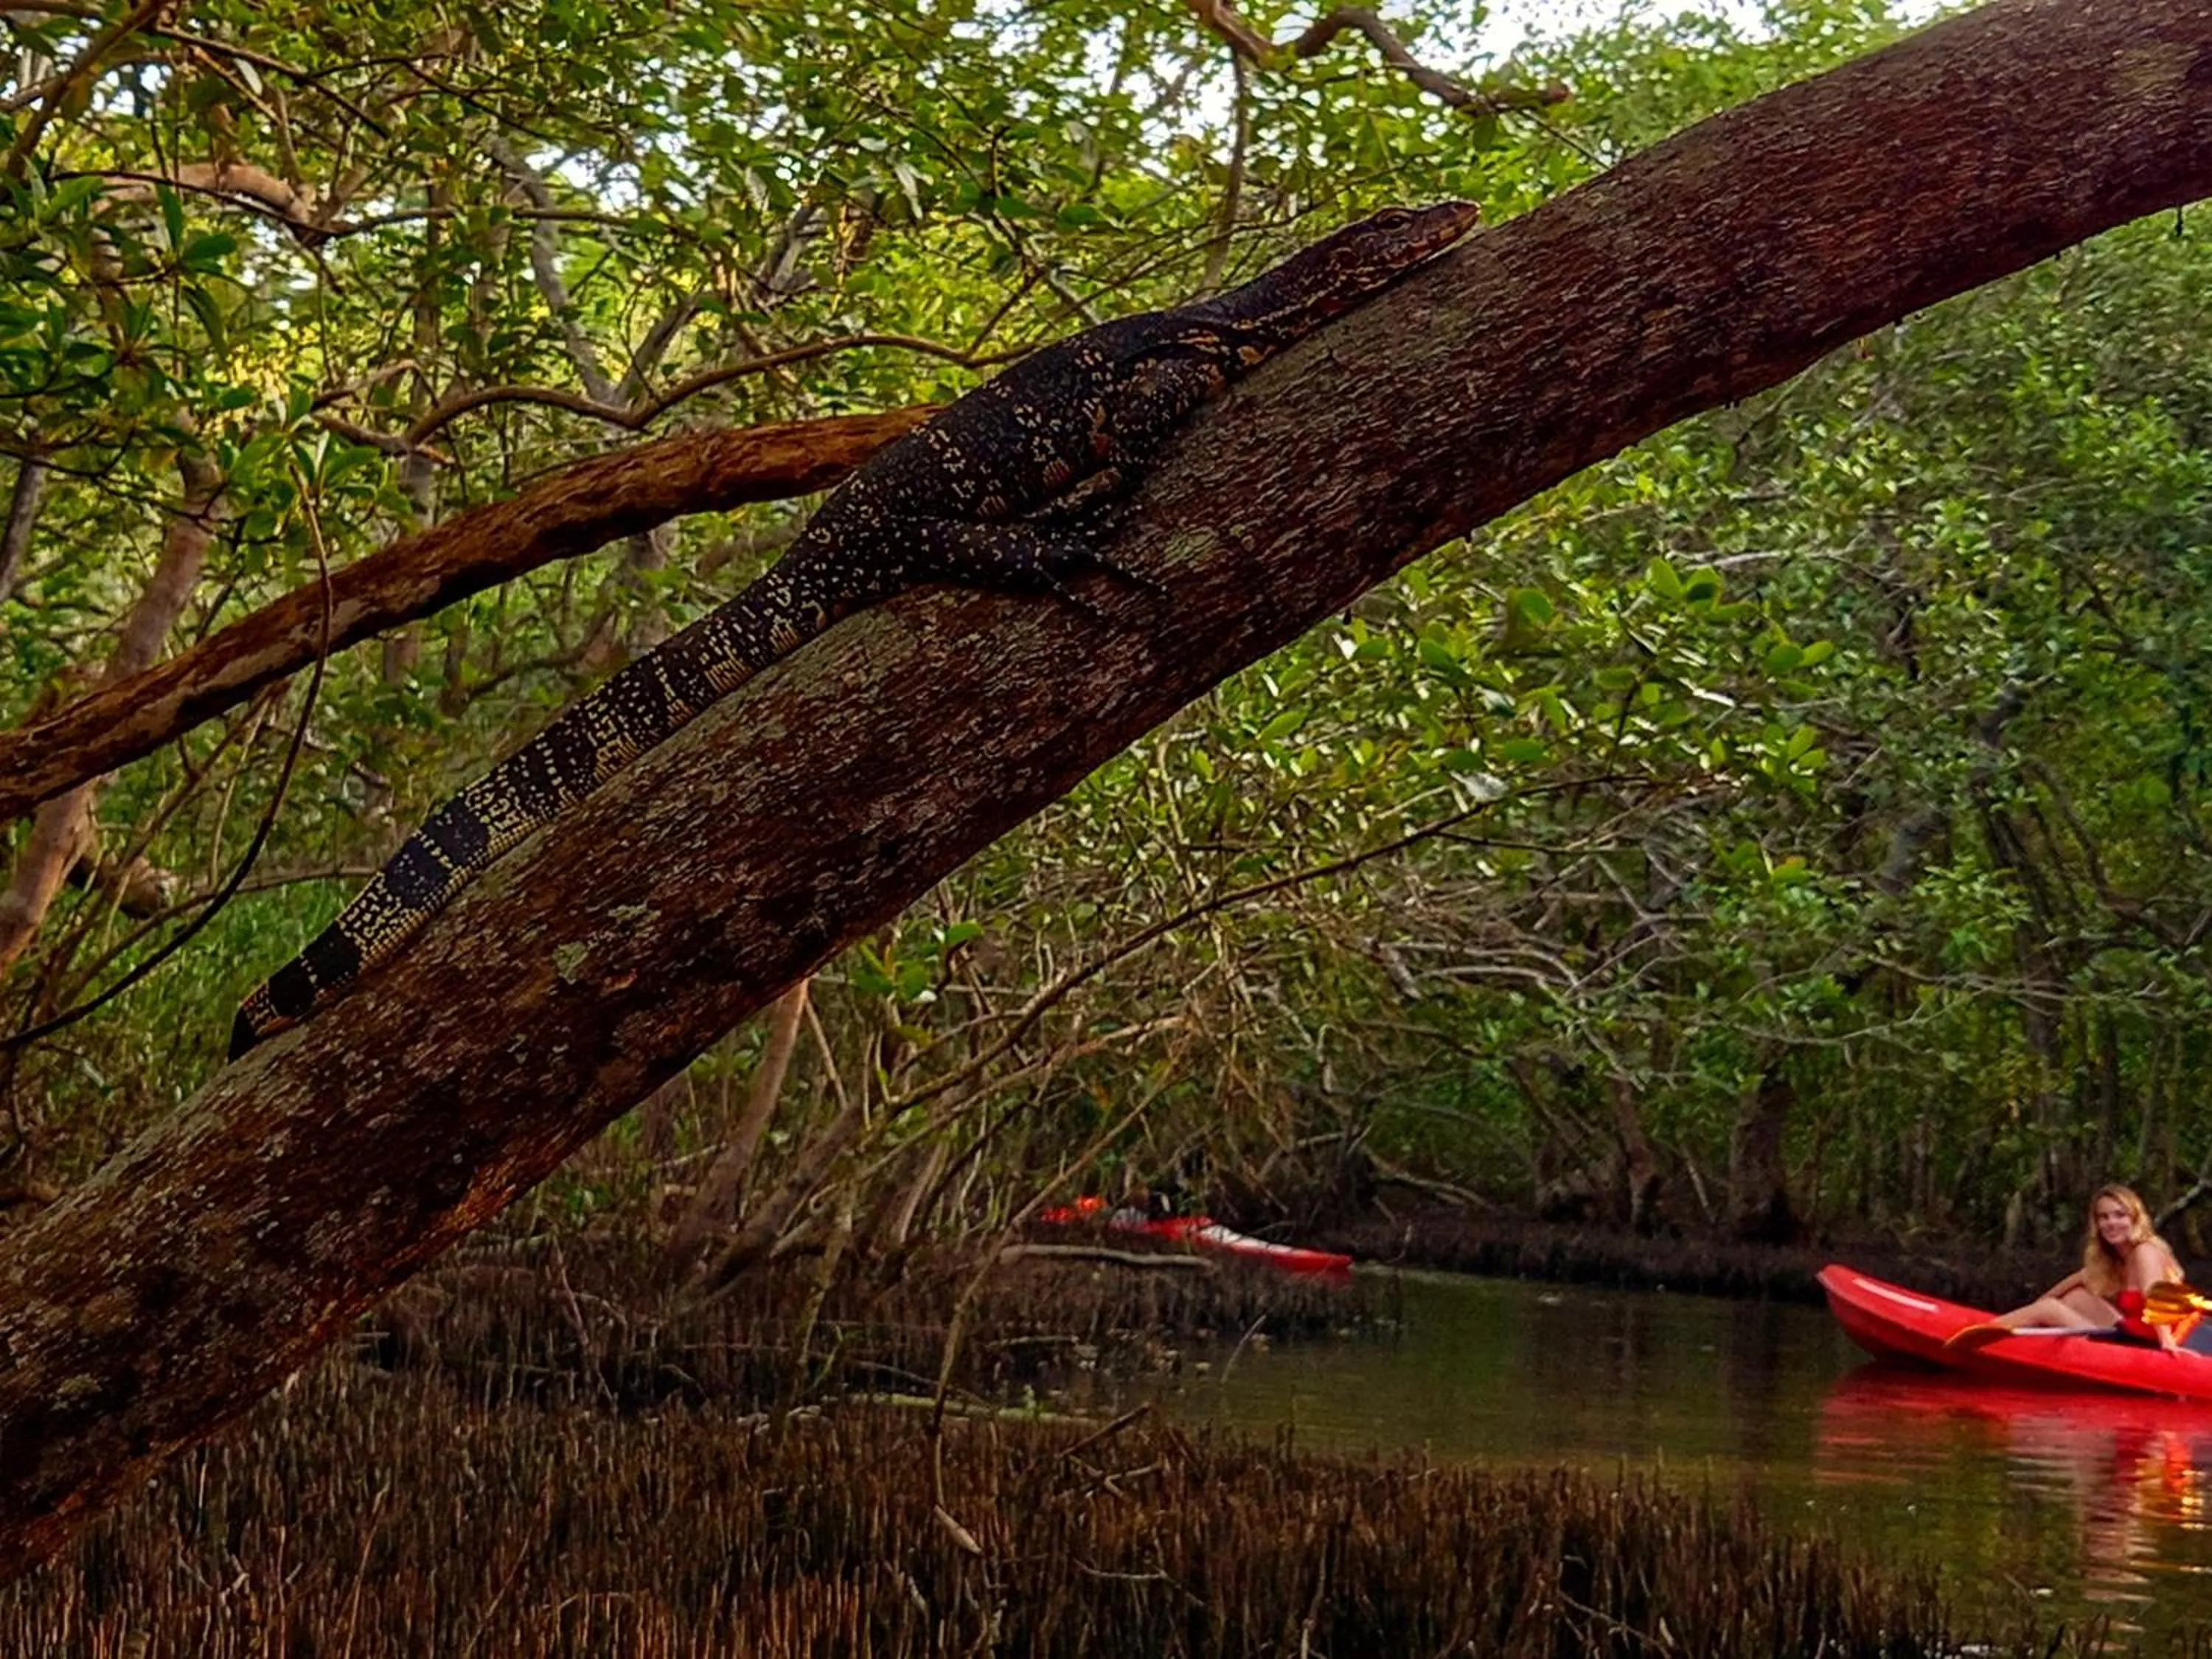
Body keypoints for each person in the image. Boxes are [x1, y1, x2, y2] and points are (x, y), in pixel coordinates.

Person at [1950, 1183, 2191, 1349]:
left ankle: (1973, 1333)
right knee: (2075, 1297)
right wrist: (2039, 1305)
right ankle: (1999, 1329)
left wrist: (2166, 1342)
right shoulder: (2118, 1258)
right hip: (2131, 1333)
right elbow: (2082, 1278)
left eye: (2120, 1215)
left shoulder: (2145, 1250)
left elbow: (2156, 1295)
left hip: (2148, 1344)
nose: (2111, 1223)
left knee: (2049, 1309)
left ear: (2135, 1219)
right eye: (2104, 1217)